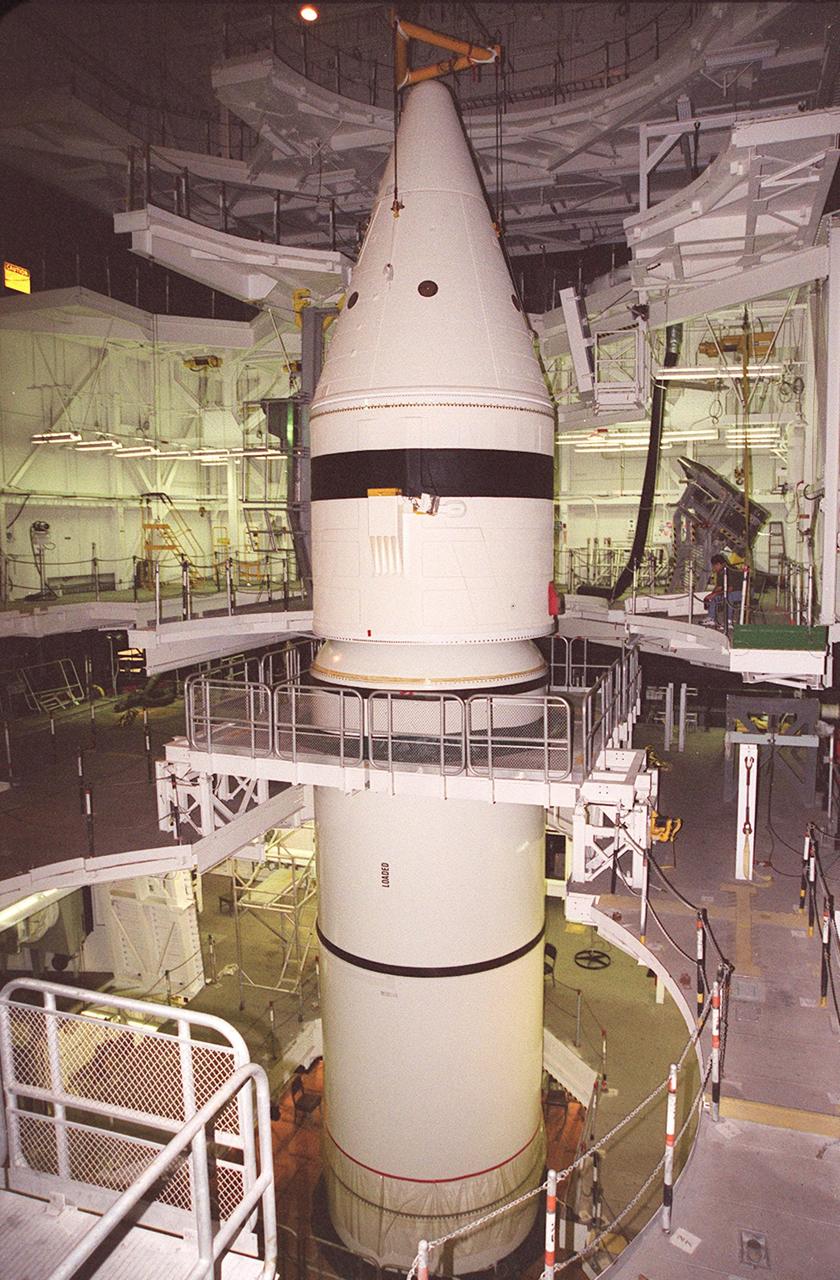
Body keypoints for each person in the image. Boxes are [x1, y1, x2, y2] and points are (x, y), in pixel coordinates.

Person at [703, 553, 743, 627]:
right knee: (715, 597)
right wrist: (711, 594)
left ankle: (729, 621)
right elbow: (719, 587)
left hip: (742, 592)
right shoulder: (720, 572)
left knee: (729, 596)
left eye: (714, 565)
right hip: (731, 592)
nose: (713, 567)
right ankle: (711, 618)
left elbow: (730, 589)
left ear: (719, 564)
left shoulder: (731, 570)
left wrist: (715, 594)